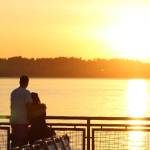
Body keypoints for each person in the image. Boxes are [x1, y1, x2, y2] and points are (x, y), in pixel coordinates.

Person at [10, 75, 32, 147]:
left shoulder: (13, 92)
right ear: (27, 83)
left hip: (14, 121)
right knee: (22, 144)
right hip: (22, 122)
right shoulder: (26, 93)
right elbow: (29, 106)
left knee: (15, 142)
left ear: (19, 82)